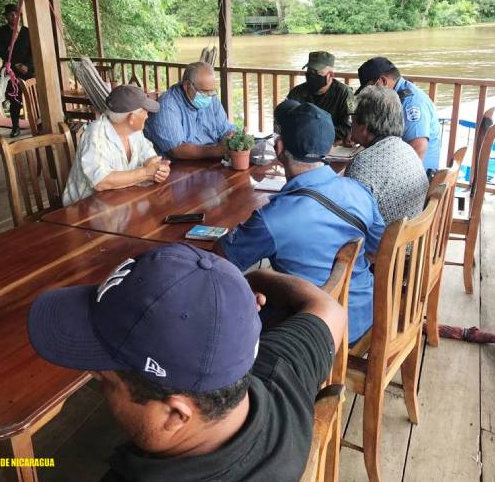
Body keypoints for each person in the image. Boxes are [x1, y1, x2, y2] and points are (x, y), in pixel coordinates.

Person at [27, 243, 346, 481]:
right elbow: (328, 308)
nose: (97, 381)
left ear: (176, 415)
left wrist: (249, 281)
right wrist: (252, 280)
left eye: (104, 381)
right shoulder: (281, 374)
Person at [214, 103, 384, 345]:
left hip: (314, 335)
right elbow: (381, 248)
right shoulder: (358, 191)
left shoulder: (272, 219)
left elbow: (222, 258)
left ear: (279, 148)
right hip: (365, 314)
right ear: (328, 147)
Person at [63, 85, 171, 206]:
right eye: (144, 111)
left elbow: (150, 158)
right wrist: (146, 173)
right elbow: (101, 181)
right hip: (83, 209)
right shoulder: (96, 134)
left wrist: (158, 170)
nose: (147, 115)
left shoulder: (135, 131)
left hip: (120, 202)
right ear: (131, 118)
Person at [346, 86, 428, 225]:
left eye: (352, 119)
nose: (350, 124)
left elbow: (349, 220)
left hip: (384, 245)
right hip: (409, 242)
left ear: (364, 127)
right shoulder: (408, 151)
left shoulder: (362, 165)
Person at [356, 57, 441, 177]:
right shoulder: (392, 96)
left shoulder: (411, 102)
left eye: (370, 88)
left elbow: (418, 148)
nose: (370, 94)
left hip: (416, 178)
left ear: (383, 81)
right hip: (401, 168)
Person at [144, 62, 235, 160]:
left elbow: (225, 130)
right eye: (204, 91)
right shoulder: (167, 106)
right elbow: (177, 150)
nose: (209, 96)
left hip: (209, 162)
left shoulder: (211, 97)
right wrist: (217, 150)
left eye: (211, 91)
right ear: (187, 86)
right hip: (177, 168)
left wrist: (231, 139)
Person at [287, 51, 354, 144]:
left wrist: (317, 132)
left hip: (332, 144)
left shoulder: (346, 94)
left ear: (330, 75)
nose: (311, 76)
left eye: (316, 72)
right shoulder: (296, 92)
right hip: (301, 144)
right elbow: (284, 119)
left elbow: (349, 126)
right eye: (309, 71)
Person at [0, 3, 34, 138]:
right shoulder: (1, 32)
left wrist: (27, 66)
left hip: (26, 71)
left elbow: (33, 52)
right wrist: (16, 64)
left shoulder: (27, 32)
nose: (13, 17)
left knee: (33, 98)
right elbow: (1, 51)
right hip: (11, 71)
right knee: (14, 100)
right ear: (6, 17)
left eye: (15, 14)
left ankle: (37, 124)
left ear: (19, 15)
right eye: (10, 15)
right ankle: (15, 127)